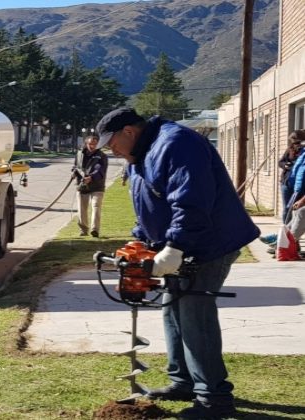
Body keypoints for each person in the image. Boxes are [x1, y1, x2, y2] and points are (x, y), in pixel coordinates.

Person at [95, 107, 259, 419]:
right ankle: (183, 382)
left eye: (111, 142)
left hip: (210, 243)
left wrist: (175, 249)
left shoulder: (177, 144)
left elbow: (191, 201)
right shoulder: (141, 155)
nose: (110, 150)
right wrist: (141, 241)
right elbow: (149, 204)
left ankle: (213, 398)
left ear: (129, 131)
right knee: (172, 311)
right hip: (182, 242)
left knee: (194, 314)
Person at [71, 134, 108, 237]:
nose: (93, 146)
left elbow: (100, 170)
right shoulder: (79, 154)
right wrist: (74, 172)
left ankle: (94, 230)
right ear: (86, 143)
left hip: (97, 186)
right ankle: (84, 230)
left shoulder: (102, 156)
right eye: (91, 144)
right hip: (82, 185)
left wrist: (91, 177)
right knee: (82, 209)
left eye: (95, 144)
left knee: (96, 207)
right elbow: (75, 166)